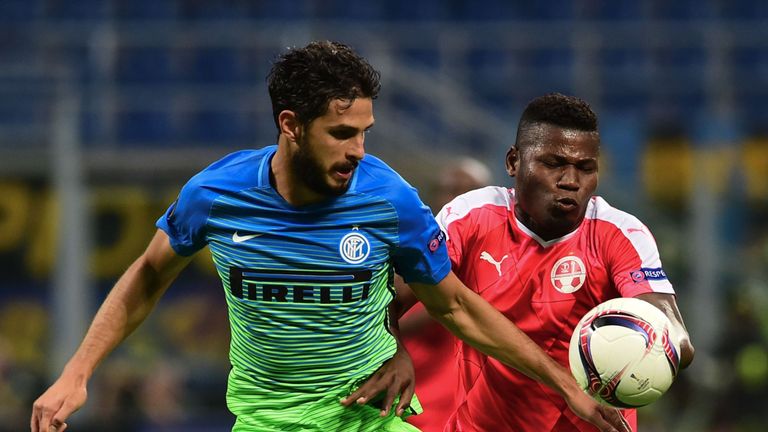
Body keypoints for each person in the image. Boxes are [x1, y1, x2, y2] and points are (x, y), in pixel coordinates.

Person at [31, 43, 630, 432]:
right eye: (342, 133)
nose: (358, 151)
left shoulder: (388, 199)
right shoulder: (216, 194)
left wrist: (563, 387)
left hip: (368, 418)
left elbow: (456, 307)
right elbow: (146, 276)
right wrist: (77, 372)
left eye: (365, 132)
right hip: (268, 422)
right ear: (290, 125)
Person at [397, 93, 695, 431]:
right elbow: (393, 298)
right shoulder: (472, 216)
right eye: (554, 164)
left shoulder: (619, 233)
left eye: (585, 168)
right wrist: (393, 349)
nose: (570, 180)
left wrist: (655, 344)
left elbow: (675, 335)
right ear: (513, 162)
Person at [399, 157, 491, 431]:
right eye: (449, 189)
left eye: (465, 192)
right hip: (408, 400)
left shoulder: (490, 258)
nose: (455, 199)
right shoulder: (412, 252)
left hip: (455, 409)